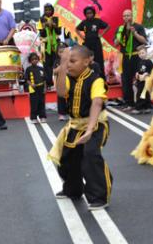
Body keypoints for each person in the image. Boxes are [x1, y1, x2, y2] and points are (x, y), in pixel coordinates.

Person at [49, 45, 112, 210]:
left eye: (72, 61)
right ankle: (73, 190)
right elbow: (61, 92)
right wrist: (62, 68)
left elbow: (97, 103)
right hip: (75, 125)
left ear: (86, 61)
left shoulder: (96, 80)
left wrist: (90, 130)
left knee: (90, 154)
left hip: (97, 124)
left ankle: (99, 197)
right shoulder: (69, 77)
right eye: (67, 61)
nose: (69, 64)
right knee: (68, 159)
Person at [114, 9, 148, 111]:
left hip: (136, 56)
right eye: (124, 16)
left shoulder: (138, 27)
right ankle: (129, 103)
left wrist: (135, 33)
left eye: (128, 15)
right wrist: (119, 37)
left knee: (141, 79)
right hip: (125, 57)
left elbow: (144, 41)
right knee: (126, 80)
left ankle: (143, 103)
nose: (126, 17)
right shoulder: (120, 29)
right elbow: (115, 43)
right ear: (122, 17)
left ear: (132, 16)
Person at [75, 6, 110, 79]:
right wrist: (82, 37)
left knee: (99, 59)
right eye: (87, 13)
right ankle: (88, 78)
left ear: (93, 13)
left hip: (96, 42)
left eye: (90, 13)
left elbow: (108, 26)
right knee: (87, 60)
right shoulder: (84, 22)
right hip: (87, 43)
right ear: (85, 14)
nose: (89, 15)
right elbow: (77, 29)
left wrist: (101, 34)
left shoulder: (98, 21)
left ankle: (101, 78)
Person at [38, 3, 62, 87]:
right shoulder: (41, 20)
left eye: (49, 10)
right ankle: (49, 83)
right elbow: (42, 34)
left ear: (52, 10)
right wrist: (46, 27)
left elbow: (59, 32)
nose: (48, 11)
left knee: (56, 62)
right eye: (46, 10)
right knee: (46, 64)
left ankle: (59, 82)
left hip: (55, 44)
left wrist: (54, 26)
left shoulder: (57, 19)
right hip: (45, 44)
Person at [25, 52, 47, 124]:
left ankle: (42, 117)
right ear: (30, 61)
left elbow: (44, 79)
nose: (34, 60)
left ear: (38, 59)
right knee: (34, 103)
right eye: (33, 59)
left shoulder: (41, 68)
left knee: (41, 102)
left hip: (41, 87)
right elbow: (27, 79)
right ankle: (34, 118)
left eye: (36, 59)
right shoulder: (28, 69)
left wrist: (45, 88)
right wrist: (31, 84)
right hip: (33, 88)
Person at [132, 45, 153, 115]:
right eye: (140, 53)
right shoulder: (139, 62)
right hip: (140, 80)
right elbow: (138, 70)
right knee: (144, 94)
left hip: (146, 80)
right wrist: (137, 74)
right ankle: (147, 106)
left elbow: (152, 70)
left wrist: (146, 74)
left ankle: (139, 108)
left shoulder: (149, 62)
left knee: (141, 93)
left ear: (146, 52)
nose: (141, 55)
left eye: (143, 53)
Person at [53, 43, 69, 121]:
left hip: (70, 81)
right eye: (60, 52)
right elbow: (54, 72)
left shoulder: (71, 60)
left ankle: (70, 112)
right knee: (61, 98)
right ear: (57, 53)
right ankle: (61, 114)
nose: (62, 54)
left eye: (64, 52)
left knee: (71, 97)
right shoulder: (57, 61)